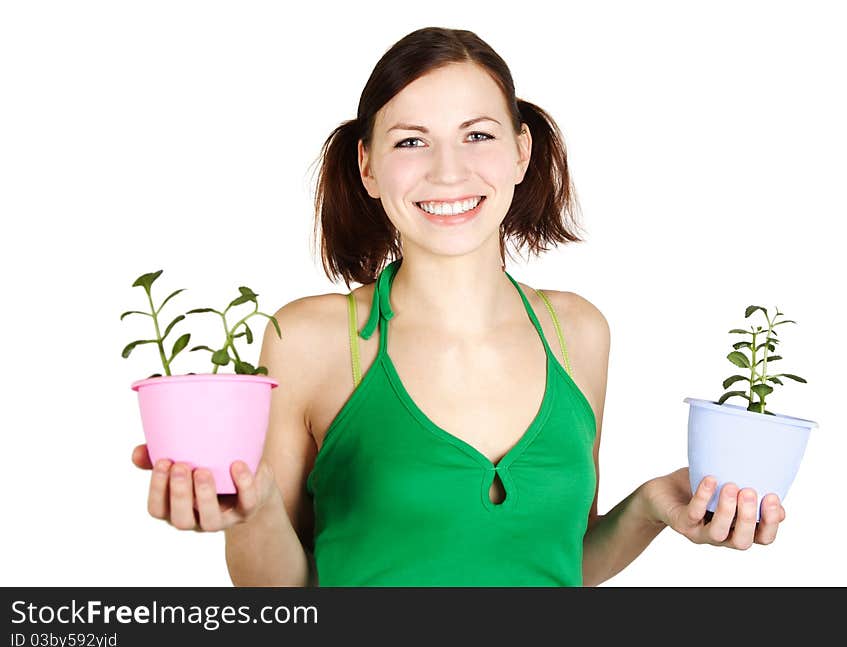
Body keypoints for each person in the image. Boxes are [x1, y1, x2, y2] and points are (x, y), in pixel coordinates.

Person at [131, 26, 786, 587]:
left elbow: (559, 559)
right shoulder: (310, 338)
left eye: (477, 135)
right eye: (411, 141)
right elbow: (283, 590)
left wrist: (647, 507)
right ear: (367, 166)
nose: (448, 172)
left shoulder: (577, 331)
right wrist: (255, 510)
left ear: (521, 151)